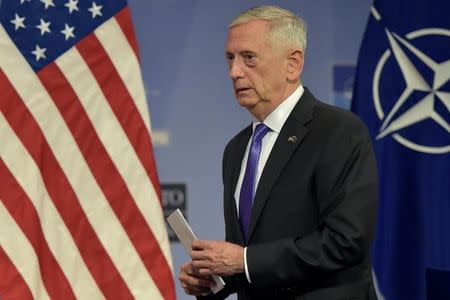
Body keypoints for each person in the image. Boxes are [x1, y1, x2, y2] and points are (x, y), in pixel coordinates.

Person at [179, 5, 378, 300]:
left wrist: (243, 260)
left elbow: (345, 242)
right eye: (230, 58)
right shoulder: (236, 150)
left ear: (293, 64)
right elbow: (248, 255)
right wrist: (213, 278)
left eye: (248, 58)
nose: (234, 71)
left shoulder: (338, 131)